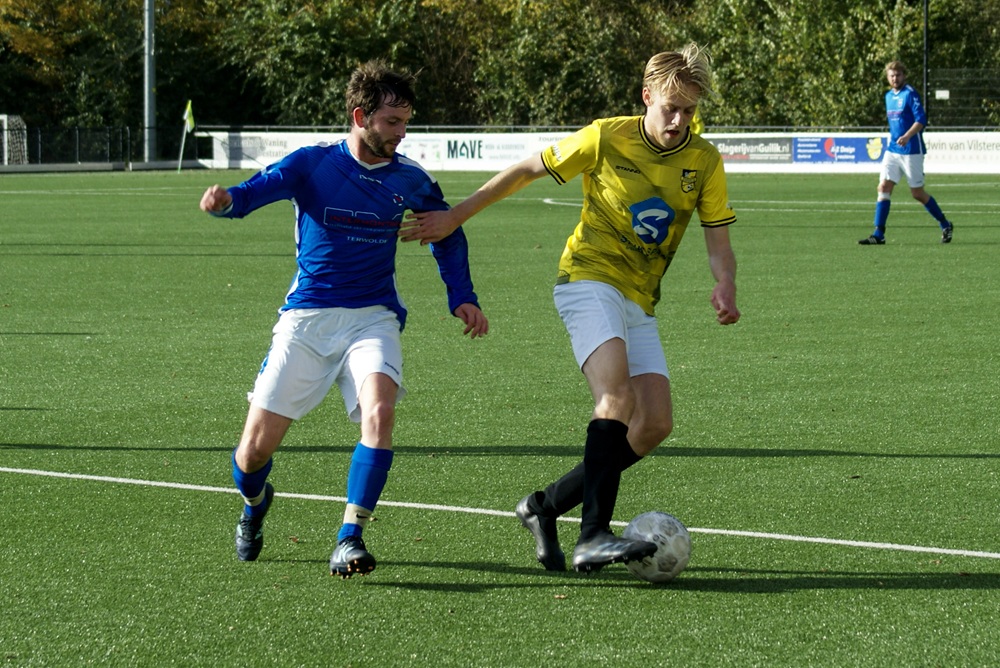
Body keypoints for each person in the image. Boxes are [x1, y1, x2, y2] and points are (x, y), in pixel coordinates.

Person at [399, 43, 739, 573]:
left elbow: (718, 240)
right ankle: (594, 534)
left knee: (654, 424)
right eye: (670, 107)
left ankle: (544, 506)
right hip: (587, 278)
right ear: (646, 96)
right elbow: (525, 170)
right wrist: (455, 215)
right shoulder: (606, 136)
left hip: (639, 299)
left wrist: (725, 285)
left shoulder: (703, 160)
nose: (679, 121)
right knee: (616, 395)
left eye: (689, 111)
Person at [199, 60, 489, 578]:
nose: (402, 134)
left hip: (372, 319)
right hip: (306, 321)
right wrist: (225, 203)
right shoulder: (312, 165)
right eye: (393, 122)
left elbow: (446, 231)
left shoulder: (410, 179)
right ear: (361, 116)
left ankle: (349, 536)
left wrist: (461, 295)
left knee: (380, 414)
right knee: (250, 456)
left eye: (406, 122)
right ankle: (256, 503)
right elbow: (255, 191)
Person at [859, 60, 954, 245]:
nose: (895, 78)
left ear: (904, 76)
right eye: (892, 75)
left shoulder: (910, 94)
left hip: (911, 150)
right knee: (883, 187)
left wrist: (908, 136)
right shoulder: (888, 96)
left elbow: (921, 120)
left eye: (898, 75)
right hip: (893, 149)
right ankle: (879, 234)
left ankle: (945, 223)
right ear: (888, 78)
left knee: (917, 193)